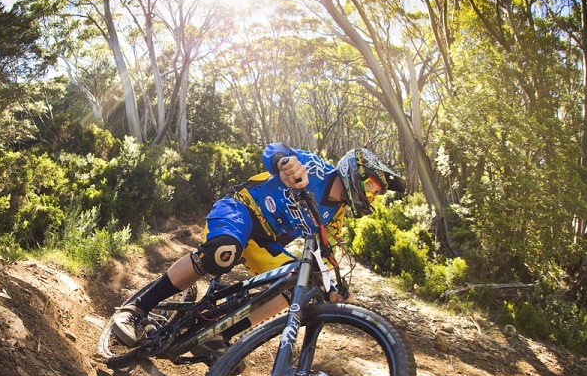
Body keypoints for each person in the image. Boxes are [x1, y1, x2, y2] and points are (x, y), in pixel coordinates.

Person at [111, 143, 407, 359]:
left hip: (267, 244)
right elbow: (273, 151)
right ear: (354, 171)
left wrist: (334, 289)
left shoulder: (337, 216)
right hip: (241, 209)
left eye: (376, 192)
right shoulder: (314, 167)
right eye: (370, 185)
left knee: (300, 285)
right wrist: (283, 163)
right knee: (220, 253)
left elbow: (326, 256)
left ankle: (219, 335)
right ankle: (136, 309)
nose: (371, 194)